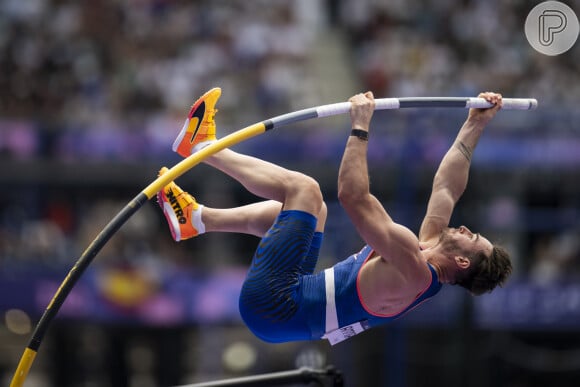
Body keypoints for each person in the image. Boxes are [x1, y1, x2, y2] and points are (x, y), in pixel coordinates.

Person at [157, 87, 512, 345]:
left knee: (306, 191)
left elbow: (353, 197)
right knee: (311, 213)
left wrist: (360, 126)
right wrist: (475, 124)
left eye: (472, 236)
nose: (465, 228)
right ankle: (197, 219)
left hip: (276, 305)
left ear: (462, 262)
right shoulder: (428, 251)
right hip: (289, 306)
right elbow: (447, 187)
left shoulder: (413, 267)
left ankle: (201, 147)